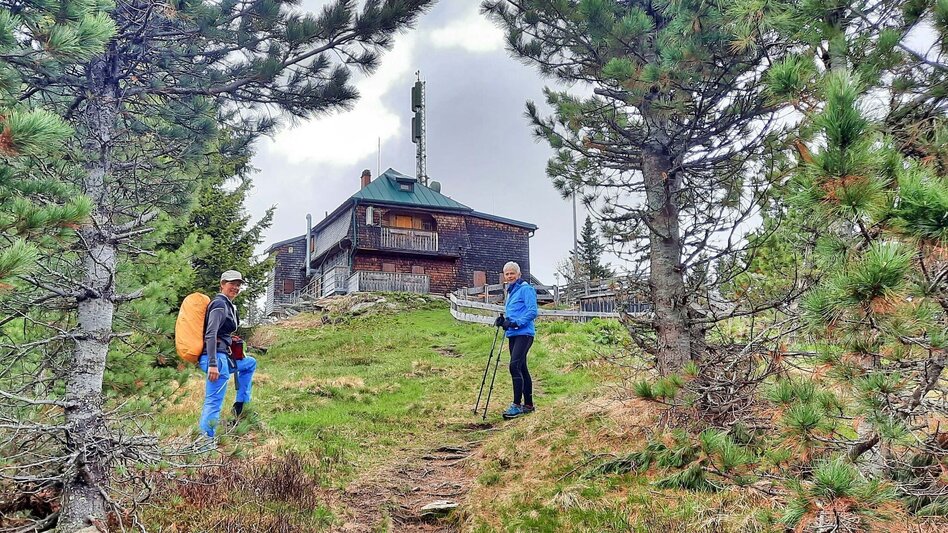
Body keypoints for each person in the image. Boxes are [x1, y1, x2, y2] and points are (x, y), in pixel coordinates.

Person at [198, 270, 257, 438]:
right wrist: (213, 364)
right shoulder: (219, 304)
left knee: (250, 363)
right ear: (222, 284)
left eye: (238, 285)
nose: (236, 287)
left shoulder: (228, 304)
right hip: (216, 359)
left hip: (223, 356)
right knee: (213, 402)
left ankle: (241, 406)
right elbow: (210, 334)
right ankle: (205, 443)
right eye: (232, 284)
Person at [494, 261, 538, 419]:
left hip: (524, 333)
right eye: (507, 274)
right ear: (504, 276)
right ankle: (528, 405)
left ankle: (516, 405)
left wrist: (516, 323)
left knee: (514, 366)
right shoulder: (511, 291)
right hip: (513, 334)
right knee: (522, 367)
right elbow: (515, 314)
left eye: (512, 273)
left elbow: (533, 312)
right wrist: (504, 321)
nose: (510, 276)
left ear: (519, 274)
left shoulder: (526, 289)